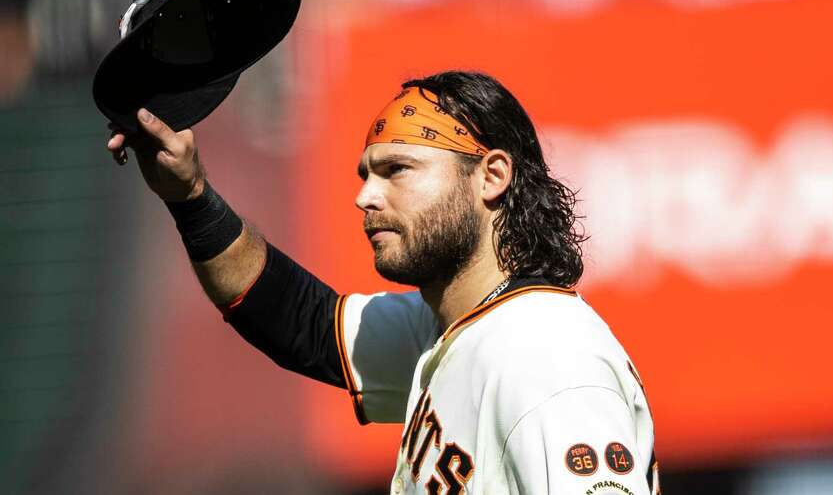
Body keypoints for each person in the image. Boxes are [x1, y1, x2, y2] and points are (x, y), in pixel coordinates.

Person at [106, 71, 659, 495]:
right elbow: (300, 323)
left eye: (397, 169)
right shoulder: (458, 328)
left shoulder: (544, 356)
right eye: (366, 174)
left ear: (491, 176)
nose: (365, 197)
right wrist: (190, 197)